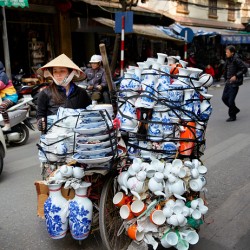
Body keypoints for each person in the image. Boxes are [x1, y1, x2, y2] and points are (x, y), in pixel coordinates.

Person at [36, 54, 92, 132]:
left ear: (70, 73)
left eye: (62, 71)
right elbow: (40, 115)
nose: (58, 74)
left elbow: (89, 113)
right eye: (55, 71)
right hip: (54, 137)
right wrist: (40, 123)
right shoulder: (45, 93)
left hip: (77, 135)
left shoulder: (81, 93)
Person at [222, 45, 248, 122]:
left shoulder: (237, 59)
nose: (226, 53)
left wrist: (236, 76)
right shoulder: (228, 59)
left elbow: (244, 69)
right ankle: (235, 109)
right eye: (226, 52)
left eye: (227, 52)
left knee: (230, 101)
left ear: (232, 53)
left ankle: (232, 116)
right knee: (224, 98)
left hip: (234, 83)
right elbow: (226, 68)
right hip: (228, 82)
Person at [0, 61, 19, 131]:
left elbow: (0, 85)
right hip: (3, 98)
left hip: (11, 97)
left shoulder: (2, 75)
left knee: (2, 107)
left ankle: (7, 124)